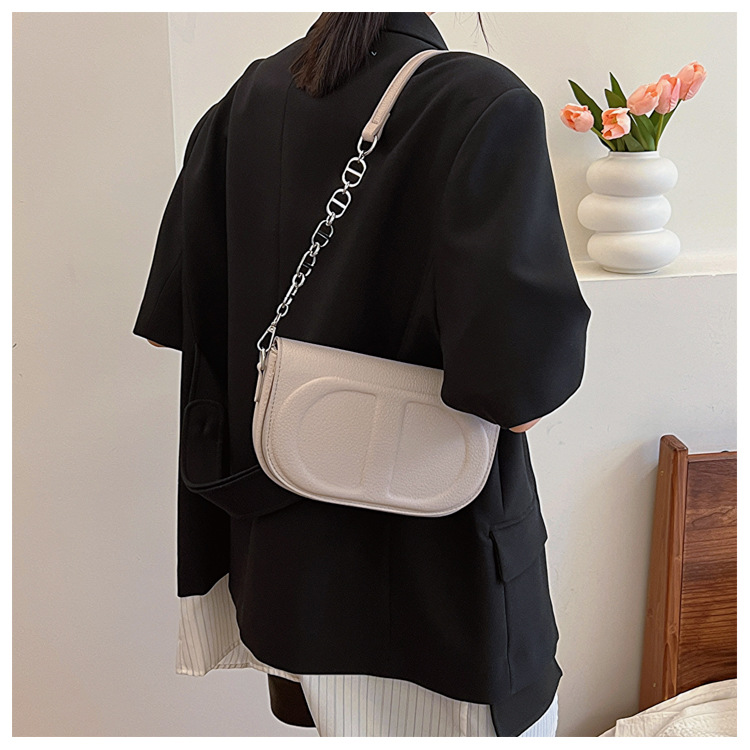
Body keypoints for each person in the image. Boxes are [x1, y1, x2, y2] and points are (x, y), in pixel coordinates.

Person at [134, 11, 591, 737]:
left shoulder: (245, 99)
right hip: (434, 600)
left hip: (277, 579)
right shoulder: (481, 102)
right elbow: (519, 396)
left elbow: (179, 324)